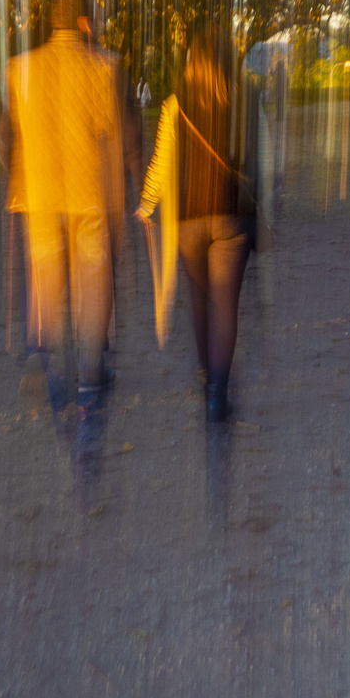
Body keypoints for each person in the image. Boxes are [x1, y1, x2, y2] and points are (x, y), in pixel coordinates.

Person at [0, 0, 126, 403]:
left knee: (45, 275)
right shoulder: (102, 66)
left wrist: (18, 174)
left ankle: (39, 354)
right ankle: (90, 370)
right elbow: (109, 132)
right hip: (87, 189)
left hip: (39, 192)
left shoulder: (21, 69)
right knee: (91, 278)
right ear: (85, 23)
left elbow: (7, 133)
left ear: (54, 24)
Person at [136, 29, 257, 422]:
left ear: (192, 61)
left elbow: (162, 161)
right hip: (231, 217)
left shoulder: (176, 104)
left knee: (201, 297)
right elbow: (268, 158)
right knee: (226, 305)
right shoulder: (247, 99)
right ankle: (216, 396)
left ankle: (206, 372)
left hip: (188, 219)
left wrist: (146, 203)